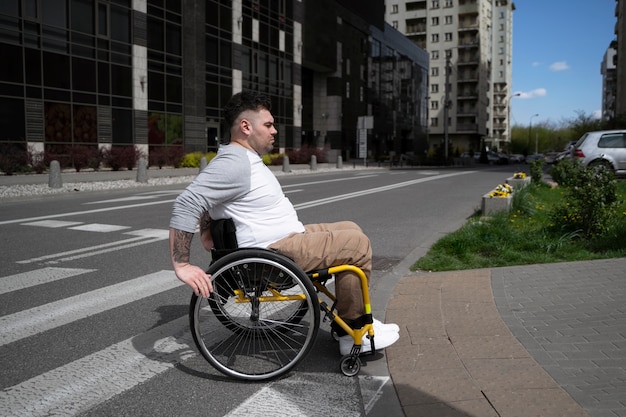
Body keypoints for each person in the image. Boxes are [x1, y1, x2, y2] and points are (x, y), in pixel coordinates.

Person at [169, 91, 399, 355]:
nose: (274, 131)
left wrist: (208, 230)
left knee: (350, 228)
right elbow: (187, 202)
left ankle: (346, 325)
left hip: (283, 241)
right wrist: (182, 264)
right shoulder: (234, 163)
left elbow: (210, 200)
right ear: (246, 126)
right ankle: (355, 330)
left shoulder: (240, 158)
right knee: (356, 244)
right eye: (268, 124)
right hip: (273, 253)